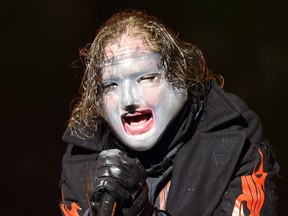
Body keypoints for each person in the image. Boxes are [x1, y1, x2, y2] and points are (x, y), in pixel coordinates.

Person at [59, 10, 280, 216]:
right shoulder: (83, 155)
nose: (128, 100)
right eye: (110, 86)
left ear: (180, 77)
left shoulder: (234, 139)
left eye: (146, 78)